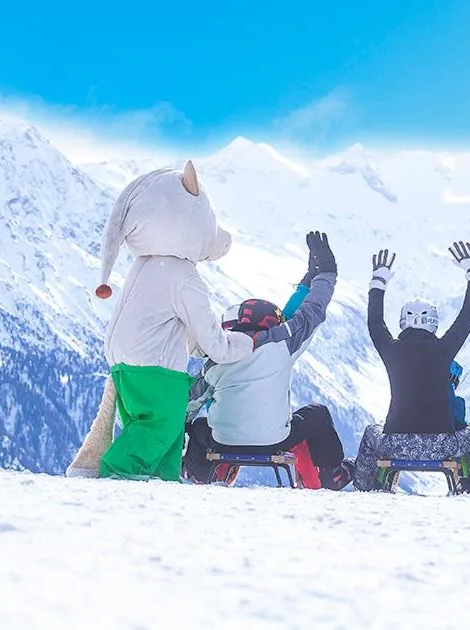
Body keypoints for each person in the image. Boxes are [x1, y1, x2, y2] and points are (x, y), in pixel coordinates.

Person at [67, 162, 256, 481]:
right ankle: (116, 473)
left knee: (151, 426)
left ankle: (163, 482)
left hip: (123, 362)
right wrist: (245, 343)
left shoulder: (144, 266)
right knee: (159, 427)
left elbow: (169, 322)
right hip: (156, 366)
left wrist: (196, 347)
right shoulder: (184, 276)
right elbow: (215, 343)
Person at [182, 231, 353, 490]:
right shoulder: (283, 344)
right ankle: (332, 473)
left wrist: (183, 425)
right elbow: (311, 311)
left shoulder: (220, 354)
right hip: (275, 440)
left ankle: (199, 474)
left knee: (197, 426)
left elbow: (190, 403)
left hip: (222, 441)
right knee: (318, 414)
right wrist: (326, 272)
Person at [352, 242, 470, 494]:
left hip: (395, 444)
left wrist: (379, 281)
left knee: (371, 431)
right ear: (433, 323)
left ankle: (364, 484)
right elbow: (467, 318)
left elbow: (375, 322)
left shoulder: (391, 350)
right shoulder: (444, 349)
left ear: (402, 322)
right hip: (442, 445)